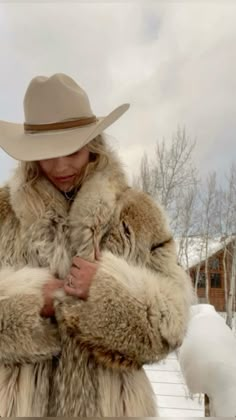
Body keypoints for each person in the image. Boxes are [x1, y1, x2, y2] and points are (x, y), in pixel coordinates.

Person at [0, 73, 193, 417]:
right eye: (47, 153)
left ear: (94, 142)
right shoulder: (4, 214)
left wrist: (105, 291)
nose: (60, 166)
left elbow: (172, 323)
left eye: (72, 150)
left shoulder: (136, 212)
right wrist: (31, 302)